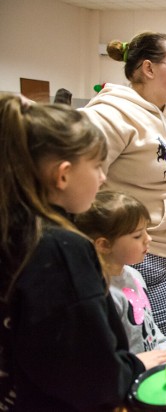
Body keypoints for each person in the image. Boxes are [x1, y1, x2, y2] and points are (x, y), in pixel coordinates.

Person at [0, 94, 146, 410]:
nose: (103, 178)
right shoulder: (60, 249)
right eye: (96, 166)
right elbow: (94, 376)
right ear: (63, 174)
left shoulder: (11, 225)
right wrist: (133, 369)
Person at [81, 32, 166, 344]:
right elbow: (77, 184)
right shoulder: (110, 114)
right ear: (148, 68)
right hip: (148, 251)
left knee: (152, 337)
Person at [75, 190, 166, 362]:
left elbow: (148, 323)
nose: (148, 239)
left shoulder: (134, 274)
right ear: (104, 245)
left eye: (146, 231)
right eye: (137, 235)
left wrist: (163, 349)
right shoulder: (105, 294)